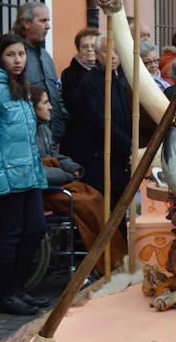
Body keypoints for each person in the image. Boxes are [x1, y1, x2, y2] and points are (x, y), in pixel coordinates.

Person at [0, 33, 49, 316]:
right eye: (11, 55)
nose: (18, 60)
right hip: (7, 177)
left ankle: (18, 289)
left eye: (22, 54)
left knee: (37, 229)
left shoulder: (20, 86)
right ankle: (6, 295)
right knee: (11, 234)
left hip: (28, 174)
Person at [30, 85, 127, 273]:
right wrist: (66, 175)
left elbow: (54, 157)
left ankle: (114, 256)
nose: (50, 107)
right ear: (33, 108)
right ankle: (105, 260)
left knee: (96, 198)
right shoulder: (28, 134)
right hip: (44, 191)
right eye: (45, 102)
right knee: (87, 204)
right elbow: (37, 169)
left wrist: (72, 167)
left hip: (57, 183)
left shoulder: (44, 130)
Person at [74, 34, 132, 210]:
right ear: (98, 54)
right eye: (108, 52)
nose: (114, 56)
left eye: (117, 51)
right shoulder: (91, 82)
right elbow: (100, 123)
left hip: (118, 158)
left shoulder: (118, 79)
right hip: (101, 159)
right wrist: (129, 145)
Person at [13, 2, 68, 143]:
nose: (48, 26)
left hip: (51, 136)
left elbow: (57, 91)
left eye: (48, 21)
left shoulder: (45, 56)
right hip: (27, 137)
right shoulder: (16, 57)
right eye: (43, 21)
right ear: (26, 23)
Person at [61, 27, 99, 159]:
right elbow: (74, 103)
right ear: (78, 49)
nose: (89, 49)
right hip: (80, 133)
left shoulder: (108, 70)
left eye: (93, 46)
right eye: (85, 46)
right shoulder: (69, 74)